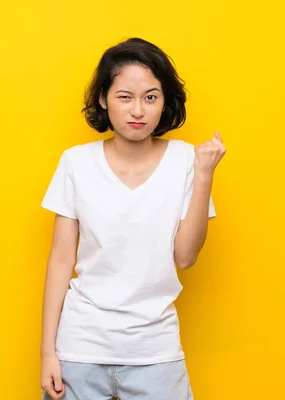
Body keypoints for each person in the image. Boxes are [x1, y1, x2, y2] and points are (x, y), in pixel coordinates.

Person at [40, 37, 226, 400]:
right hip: (80, 348)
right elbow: (61, 260)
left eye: (151, 97)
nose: (138, 111)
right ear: (103, 99)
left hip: (155, 352)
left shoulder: (188, 161)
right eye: (125, 97)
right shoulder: (76, 162)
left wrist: (204, 174)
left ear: (164, 102)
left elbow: (185, 257)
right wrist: (48, 352)